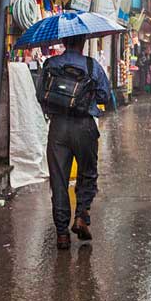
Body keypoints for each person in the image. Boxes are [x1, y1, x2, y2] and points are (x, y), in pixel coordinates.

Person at [40, 34, 111, 250]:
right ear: (82, 43)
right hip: (84, 127)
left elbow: (40, 94)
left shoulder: (51, 64)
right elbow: (104, 96)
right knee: (87, 173)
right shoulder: (91, 66)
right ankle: (81, 216)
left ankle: (62, 234)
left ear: (64, 43)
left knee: (59, 180)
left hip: (58, 128)